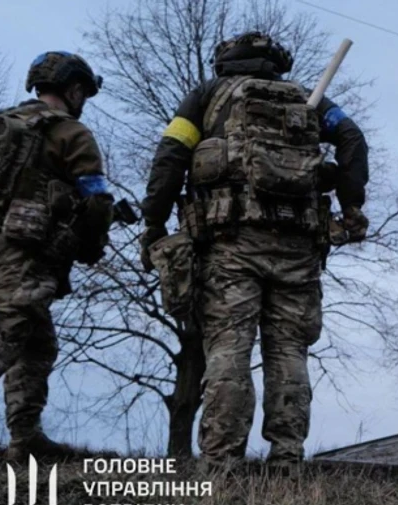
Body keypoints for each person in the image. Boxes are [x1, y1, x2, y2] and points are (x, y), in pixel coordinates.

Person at [139, 32, 369, 472]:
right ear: (276, 65)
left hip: (230, 244)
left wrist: (155, 221)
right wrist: (351, 201)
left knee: (229, 350)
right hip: (298, 248)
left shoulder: (205, 96)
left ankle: (221, 462)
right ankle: (286, 460)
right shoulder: (307, 99)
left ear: (224, 62)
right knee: (289, 354)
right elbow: (352, 138)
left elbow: (170, 155)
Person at [0, 51, 112, 460]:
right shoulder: (71, 133)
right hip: (26, 253)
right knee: (1, 340)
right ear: (74, 89)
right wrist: (93, 246)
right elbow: (96, 200)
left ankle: (26, 437)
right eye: (84, 93)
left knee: (37, 344)